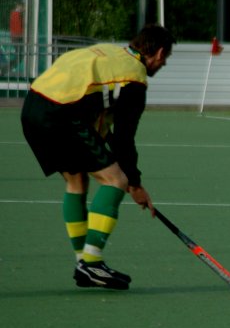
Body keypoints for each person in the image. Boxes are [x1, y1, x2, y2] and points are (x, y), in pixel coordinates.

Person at [21, 24, 176, 290]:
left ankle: (83, 264)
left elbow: (104, 131)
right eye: (165, 59)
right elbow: (125, 139)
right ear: (159, 53)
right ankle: (91, 263)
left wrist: (134, 180)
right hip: (62, 115)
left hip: (33, 108)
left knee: (77, 180)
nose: (163, 65)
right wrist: (134, 184)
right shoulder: (135, 79)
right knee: (115, 180)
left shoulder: (110, 54)